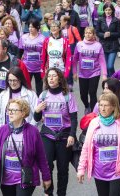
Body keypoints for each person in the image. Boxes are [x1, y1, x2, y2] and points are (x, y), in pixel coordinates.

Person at [0, 98, 52, 195]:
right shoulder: (1, 131)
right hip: (6, 180)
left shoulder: (33, 132)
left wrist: (46, 177)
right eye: (9, 110)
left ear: (23, 113)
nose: (10, 113)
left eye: (14, 110)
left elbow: (41, 157)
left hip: (25, 179)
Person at [77, 92, 120, 196]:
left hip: (118, 171)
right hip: (99, 171)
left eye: (106, 105)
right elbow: (86, 148)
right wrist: (81, 169)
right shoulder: (94, 123)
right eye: (101, 105)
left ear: (113, 106)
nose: (102, 108)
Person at [34, 68, 77, 196]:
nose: (51, 78)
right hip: (47, 134)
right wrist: (37, 111)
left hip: (64, 135)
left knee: (63, 168)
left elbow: (74, 118)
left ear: (59, 79)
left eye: (54, 76)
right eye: (49, 76)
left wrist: (72, 135)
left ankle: (61, 193)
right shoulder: (43, 95)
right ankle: (49, 192)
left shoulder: (68, 96)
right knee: (46, 166)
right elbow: (37, 119)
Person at [73, 27, 107, 113]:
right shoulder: (79, 44)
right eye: (86, 33)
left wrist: (104, 74)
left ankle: (93, 112)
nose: (88, 35)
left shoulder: (98, 45)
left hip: (94, 73)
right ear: (84, 34)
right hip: (82, 74)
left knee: (92, 93)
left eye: (90, 33)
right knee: (83, 94)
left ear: (93, 35)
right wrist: (74, 72)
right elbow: (75, 59)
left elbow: (102, 61)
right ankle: (87, 106)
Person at [18, 19, 45, 95]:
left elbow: (45, 53)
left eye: (32, 27)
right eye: (29, 27)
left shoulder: (42, 38)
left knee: (39, 86)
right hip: (26, 65)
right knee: (26, 85)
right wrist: (19, 62)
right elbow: (20, 51)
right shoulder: (23, 37)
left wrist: (45, 64)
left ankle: (39, 100)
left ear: (37, 28)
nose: (30, 29)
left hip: (38, 66)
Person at [96, 3, 120, 77]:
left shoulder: (116, 20)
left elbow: (119, 33)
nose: (108, 11)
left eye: (109, 10)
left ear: (112, 10)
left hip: (113, 45)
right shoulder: (100, 20)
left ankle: (114, 79)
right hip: (103, 45)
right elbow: (97, 32)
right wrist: (103, 35)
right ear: (104, 10)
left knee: (110, 66)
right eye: (106, 10)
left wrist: (111, 34)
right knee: (106, 67)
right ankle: (109, 83)